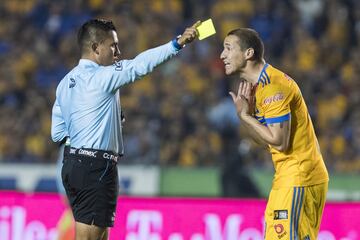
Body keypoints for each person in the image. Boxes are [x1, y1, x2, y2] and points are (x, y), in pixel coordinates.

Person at [51, 18, 199, 240]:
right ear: (95, 48)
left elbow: (57, 133)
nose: (118, 51)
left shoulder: (64, 83)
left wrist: (87, 135)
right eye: (113, 45)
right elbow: (139, 65)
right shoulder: (103, 76)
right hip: (96, 167)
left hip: (74, 165)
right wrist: (177, 44)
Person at [220, 28, 329, 239]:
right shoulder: (260, 85)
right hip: (288, 177)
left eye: (228, 48)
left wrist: (245, 117)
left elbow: (279, 142)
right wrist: (249, 115)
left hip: (299, 176)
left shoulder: (273, 87)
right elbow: (265, 141)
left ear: (248, 53)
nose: (222, 55)